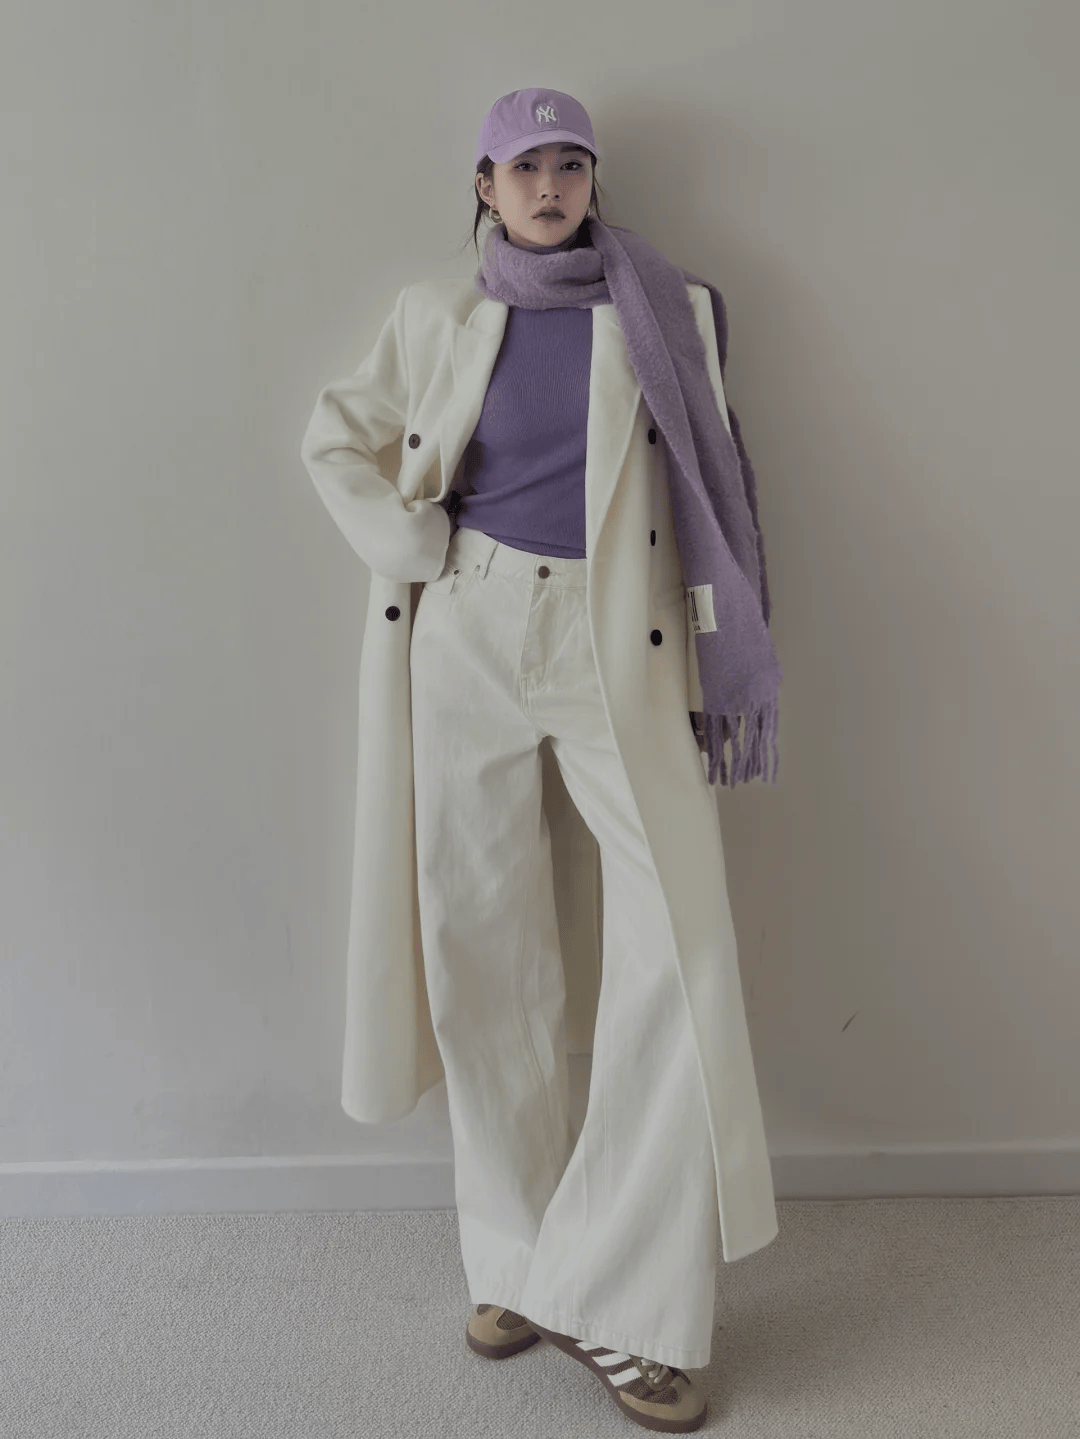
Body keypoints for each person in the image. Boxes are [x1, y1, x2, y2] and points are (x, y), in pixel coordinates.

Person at [301, 87, 781, 1435]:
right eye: (527, 167)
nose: (552, 185)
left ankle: (625, 1300)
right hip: (467, 626)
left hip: (617, 641)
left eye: (572, 163)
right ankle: (516, 1265)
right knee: (481, 945)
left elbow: (707, 488)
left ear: (592, 178)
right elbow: (333, 436)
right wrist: (409, 543)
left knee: (677, 955)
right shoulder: (438, 316)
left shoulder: (669, 313)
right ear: (486, 185)